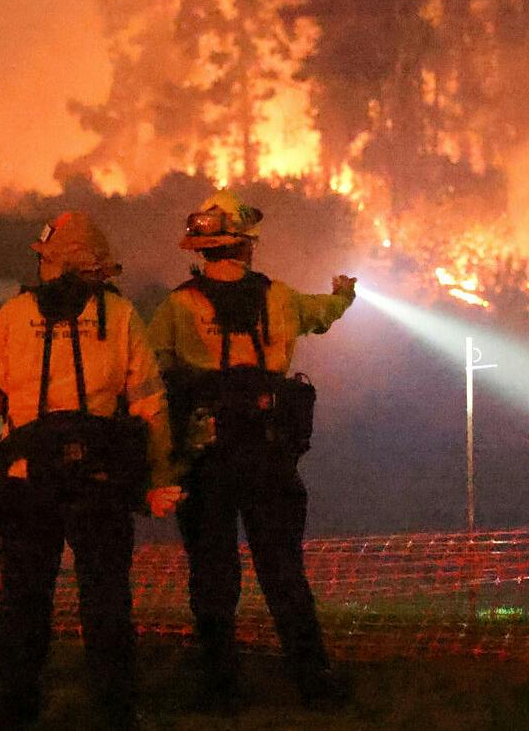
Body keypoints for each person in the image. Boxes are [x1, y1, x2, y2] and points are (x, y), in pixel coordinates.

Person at [0, 211, 182, 731]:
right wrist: (158, 479)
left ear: (56, 263)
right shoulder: (123, 315)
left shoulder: (15, 314)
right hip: (100, 483)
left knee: (22, 598)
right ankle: (114, 711)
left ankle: (14, 710)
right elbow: (149, 403)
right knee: (106, 599)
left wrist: (13, 411)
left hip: (25, 480)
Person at [147, 189, 357, 709]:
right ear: (246, 247)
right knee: (284, 570)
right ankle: (313, 682)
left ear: (201, 248)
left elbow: (148, 370)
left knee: (213, 575)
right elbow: (323, 312)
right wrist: (344, 295)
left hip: (207, 458)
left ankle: (219, 688)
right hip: (270, 457)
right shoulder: (281, 298)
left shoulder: (177, 306)